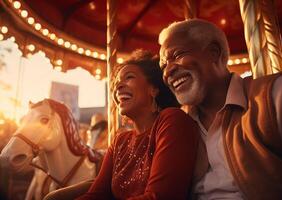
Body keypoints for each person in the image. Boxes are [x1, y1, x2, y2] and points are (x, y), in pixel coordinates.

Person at [158, 18, 282, 199]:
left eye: (177, 55)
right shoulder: (180, 126)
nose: (168, 71)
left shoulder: (280, 94)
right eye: (163, 65)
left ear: (214, 53)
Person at [73, 49, 207, 200]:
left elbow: (160, 196)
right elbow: (96, 195)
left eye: (128, 77)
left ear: (153, 89)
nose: (118, 86)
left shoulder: (172, 120)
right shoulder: (120, 142)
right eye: (116, 83)